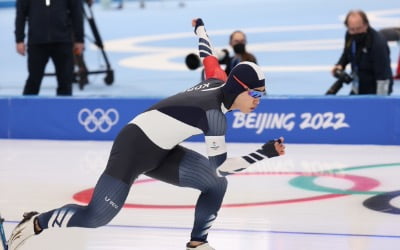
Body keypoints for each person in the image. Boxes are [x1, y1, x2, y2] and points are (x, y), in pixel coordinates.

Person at [7, 18, 286, 250]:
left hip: (163, 151)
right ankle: (36, 222)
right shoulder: (213, 116)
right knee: (96, 216)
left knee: (215, 185)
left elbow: (208, 56)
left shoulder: (219, 80)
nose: (258, 99)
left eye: (261, 94)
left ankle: (197, 244)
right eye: (255, 93)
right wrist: (265, 152)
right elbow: (222, 167)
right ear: (238, 88)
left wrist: (200, 29)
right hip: (133, 147)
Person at [15, 0, 84, 96]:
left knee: (65, 81)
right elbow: (21, 14)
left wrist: (79, 39)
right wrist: (19, 39)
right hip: (37, 42)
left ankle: (64, 109)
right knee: (33, 81)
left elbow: (77, 13)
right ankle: (26, 109)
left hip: (62, 41)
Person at [331, 10, 393, 95]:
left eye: (359, 29)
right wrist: (340, 65)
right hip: (358, 86)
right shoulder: (350, 35)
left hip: (374, 90)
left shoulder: (378, 44)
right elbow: (347, 53)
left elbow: (383, 76)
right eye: (352, 29)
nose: (355, 32)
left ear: (366, 24)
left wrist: (380, 101)